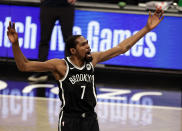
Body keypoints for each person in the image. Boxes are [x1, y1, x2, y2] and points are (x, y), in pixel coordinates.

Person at [7, 8, 164, 131]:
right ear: (73, 51)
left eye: (87, 43)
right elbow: (24, 66)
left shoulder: (93, 59)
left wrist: (147, 29)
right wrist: (15, 44)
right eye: (83, 44)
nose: (88, 46)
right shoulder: (60, 65)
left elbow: (122, 48)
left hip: (90, 119)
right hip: (70, 120)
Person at [28, 0, 76, 82]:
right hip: (47, 5)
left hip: (66, 7)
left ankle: (69, 73)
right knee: (44, 39)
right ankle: (41, 72)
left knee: (68, 41)